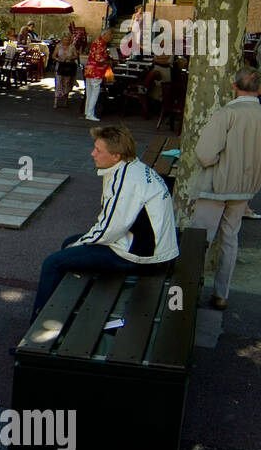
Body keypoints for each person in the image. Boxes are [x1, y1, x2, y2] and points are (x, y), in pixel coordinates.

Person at [30, 125, 178, 319]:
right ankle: (67, 307)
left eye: (98, 150)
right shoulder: (132, 167)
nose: (92, 154)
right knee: (69, 244)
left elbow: (111, 229)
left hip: (144, 257)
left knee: (53, 262)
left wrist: (79, 244)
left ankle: (38, 326)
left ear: (116, 156)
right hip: (150, 246)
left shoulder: (125, 181)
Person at [189, 68, 261, 310]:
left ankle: (188, 291)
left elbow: (205, 154)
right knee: (230, 239)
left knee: (200, 240)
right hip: (244, 189)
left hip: (215, 185)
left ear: (234, 85)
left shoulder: (226, 114)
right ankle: (221, 294)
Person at [83, 28, 114, 122]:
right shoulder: (100, 44)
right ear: (105, 35)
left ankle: (87, 111)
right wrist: (108, 61)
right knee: (94, 93)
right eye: (110, 35)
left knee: (89, 92)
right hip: (96, 71)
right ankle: (90, 113)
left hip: (89, 70)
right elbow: (99, 59)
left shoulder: (98, 42)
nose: (111, 37)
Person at [51, 32, 78, 109]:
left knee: (67, 83)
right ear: (62, 40)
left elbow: (76, 56)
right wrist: (58, 59)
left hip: (68, 67)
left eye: (68, 40)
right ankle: (56, 101)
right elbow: (53, 56)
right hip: (60, 66)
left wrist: (71, 58)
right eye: (64, 40)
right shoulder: (58, 46)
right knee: (59, 83)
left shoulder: (72, 47)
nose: (66, 41)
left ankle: (66, 100)